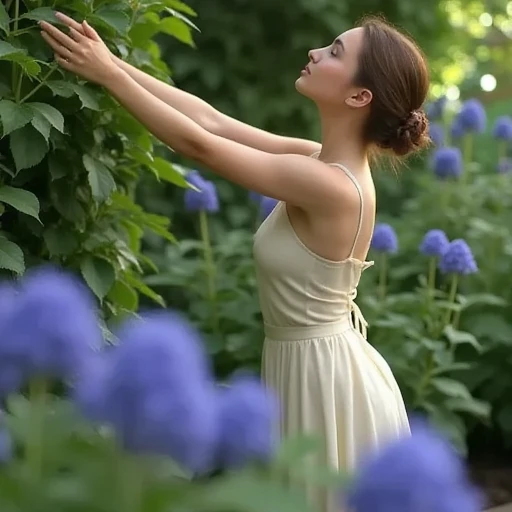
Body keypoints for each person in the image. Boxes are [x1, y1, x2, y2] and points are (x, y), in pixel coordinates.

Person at [40, 13, 430, 512]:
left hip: (324, 377)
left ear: (359, 97)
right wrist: (112, 62)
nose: (315, 52)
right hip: (308, 363)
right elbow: (213, 122)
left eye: (334, 52)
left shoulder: (332, 186)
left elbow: (199, 146)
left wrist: (109, 76)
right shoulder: (320, 162)